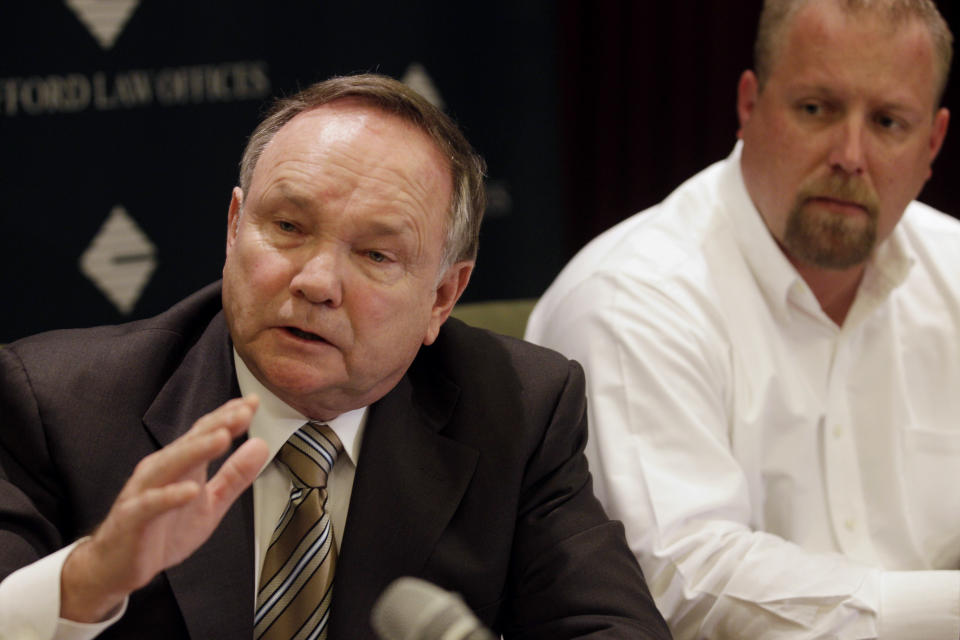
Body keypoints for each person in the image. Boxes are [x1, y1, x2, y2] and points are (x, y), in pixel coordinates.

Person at [0, 74, 672, 640]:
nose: (316, 283)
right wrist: (86, 582)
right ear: (235, 228)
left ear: (442, 297)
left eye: (377, 254)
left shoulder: (519, 411)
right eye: (287, 227)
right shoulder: (57, 404)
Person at [526, 1, 960, 638]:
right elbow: (685, 584)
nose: (850, 154)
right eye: (817, 109)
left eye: (889, 122)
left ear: (932, 144)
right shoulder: (631, 298)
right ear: (749, 105)